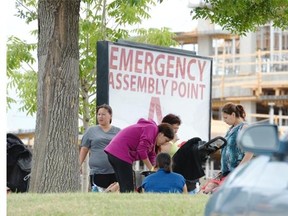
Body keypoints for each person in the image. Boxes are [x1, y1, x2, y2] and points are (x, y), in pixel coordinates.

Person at [104, 118, 174, 193]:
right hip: (120, 153)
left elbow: (151, 156)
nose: (164, 143)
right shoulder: (152, 129)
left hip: (114, 153)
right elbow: (142, 151)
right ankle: (127, 203)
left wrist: (156, 169)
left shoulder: (152, 137)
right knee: (128, 188)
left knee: (124, 185)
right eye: (166, 140)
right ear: (161, 134)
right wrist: (151, 169)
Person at [202, 102, 253, 194]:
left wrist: (238, 170)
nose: (224, 121)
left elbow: (250, 152)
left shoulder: (244, 128)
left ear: (233, 114)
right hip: (226, 172)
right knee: (206, 189)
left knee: (216, 193)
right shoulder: (231, 129)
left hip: (236, 172)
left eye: (226, 117)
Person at [79, 104, 121, 190]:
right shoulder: (91, 131)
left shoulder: (118, 131)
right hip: (98, 172)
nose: (100, 117)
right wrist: (78, 165)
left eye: (103, 114)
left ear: (110, 116)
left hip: (115, 171)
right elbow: (84, 149)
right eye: (99, 114)